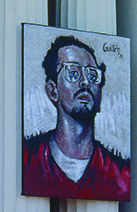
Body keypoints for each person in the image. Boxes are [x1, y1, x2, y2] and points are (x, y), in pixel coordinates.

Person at [23, 35, 130, 201]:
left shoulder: (120, 175)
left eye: (93, 75)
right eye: (73, 73)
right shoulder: (28, 161)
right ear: (53, 91)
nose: (85, 82)